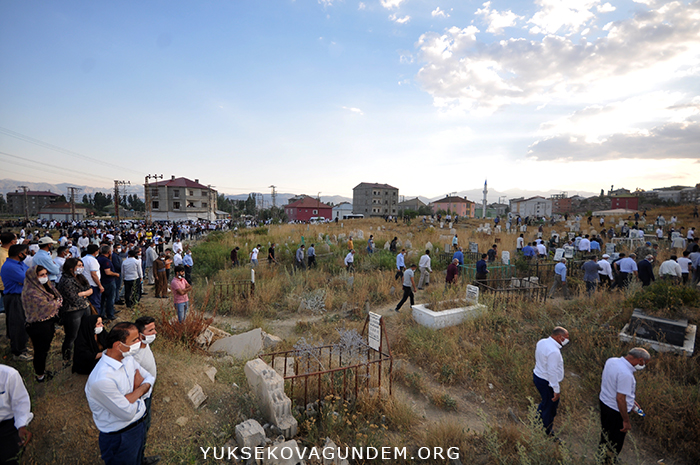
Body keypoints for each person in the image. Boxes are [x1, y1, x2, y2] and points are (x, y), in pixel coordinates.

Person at [85, 322, 156, 465]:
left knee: (137, 457)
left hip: (138, 426)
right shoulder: (102, 380)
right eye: (135, 340)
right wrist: (141, 389)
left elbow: (150, 378)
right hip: (121, 437)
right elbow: (127, 413)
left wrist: (135, 392)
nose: (139, 342)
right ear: (118, 345)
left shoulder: (128, 358)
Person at [599, 348, 651, 463]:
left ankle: (601, 455)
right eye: (644, 364)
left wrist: (631, 402)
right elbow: (620, 399)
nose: (643, 366)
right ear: (640, 360)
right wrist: (626, 420)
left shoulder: (611, 361)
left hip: (604, 403)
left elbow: (614, 386)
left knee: (605, 433)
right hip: (615, 411)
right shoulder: (626, 374)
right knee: (615, 440)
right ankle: (609, 460)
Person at [22, 265, 63, 382]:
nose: (45, 277)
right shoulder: (30, 292)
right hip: (38, 325)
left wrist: (56, 301)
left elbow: (58, 296)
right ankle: (40, 376)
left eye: (46, 274)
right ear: (33, 277)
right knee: (40, 351)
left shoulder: (45, 286)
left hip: (48, 322)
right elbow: (47, 305)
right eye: (41, 275)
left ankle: (42, 371)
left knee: (44, 349)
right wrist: (56, 302)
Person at [533, 327, 569, 436]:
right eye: (566, 337)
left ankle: (535, 422)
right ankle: (547, 431)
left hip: (538, 376)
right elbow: (552, 371)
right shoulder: (554, 352)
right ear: (559, 337)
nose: (567, 340)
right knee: (550, 407)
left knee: (545, 402)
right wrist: (556, 389)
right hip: (547, 381)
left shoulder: (542, 342)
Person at [133, 316, 160, 465]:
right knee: (140, 429)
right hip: (140, 398)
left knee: (145, 427)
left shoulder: (144, 344)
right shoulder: (134, 355)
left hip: (147, 393)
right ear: (140, 334)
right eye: (150, 330)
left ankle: (140, 458)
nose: (154, 333)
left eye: (154, 329)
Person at [57, 258, 93, 363]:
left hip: (85, 308)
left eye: (82, 265)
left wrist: (82, 294)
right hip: (72, 312)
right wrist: (86, 294)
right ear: (71, 268)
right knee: (72, 335)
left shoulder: (80, 277)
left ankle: (81, 353)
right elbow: (74, 299)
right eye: (79, 265)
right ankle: (66, 358)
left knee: (84, 332)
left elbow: (90, 289)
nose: (81, 268)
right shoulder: (66, 280)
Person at [1, 244, 32, 361]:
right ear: (20, 254)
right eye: (25, 252)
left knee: (23, 323)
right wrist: (25, 280)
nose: (27, 254)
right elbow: (29, 279)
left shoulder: (19, 264)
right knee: (17, 325)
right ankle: (18, 352)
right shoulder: (10, 266)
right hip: (14, 298)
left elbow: (29, 274)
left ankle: (22, 346)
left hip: (21, 296)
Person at [0, 363, 33, 465]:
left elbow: (20, 402)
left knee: (10, 458)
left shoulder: (9, 374)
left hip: (6, 426)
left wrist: (21, 426)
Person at [97, 245, 119, 321]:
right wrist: (116, 274)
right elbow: (108, 272)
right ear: (109, 252)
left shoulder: (98, 258)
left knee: (102, 300)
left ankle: (102, 314)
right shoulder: (106, 261)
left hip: (101, 281)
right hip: (108, 282)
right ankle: (110, 314)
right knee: (110, 299)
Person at [82, 244, 103, 315]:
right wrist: (100, 285)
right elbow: (94, 274)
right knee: (95, 304)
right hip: (93, 285)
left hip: (84, 284)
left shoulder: (83, 259)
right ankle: (95, 320)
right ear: (96, 252)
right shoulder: (93, 261)